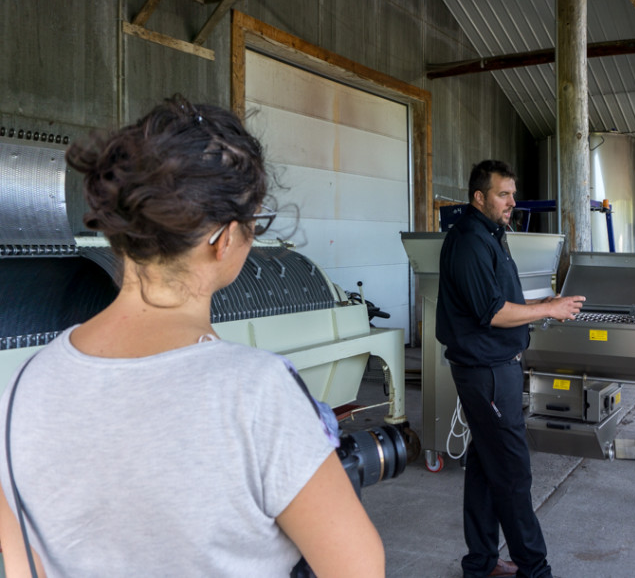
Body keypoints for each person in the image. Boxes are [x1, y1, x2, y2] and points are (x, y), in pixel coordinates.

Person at [0, 96, 384, 577]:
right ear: (224, 240)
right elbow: (357, 568)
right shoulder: (255, 394)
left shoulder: (22, 389)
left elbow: (21, 566)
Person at [436, 159, 585, 578]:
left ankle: (480, 563)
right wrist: (548, 308)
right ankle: (534, 569)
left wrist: (544, 308)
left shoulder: (491, 235)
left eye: (512, 194)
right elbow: (492, 312)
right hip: (485, 372)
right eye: (503, 194)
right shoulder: (468, 241)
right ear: (479, 197)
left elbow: (503, 302)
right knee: (514, 472)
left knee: (486, 467)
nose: (512, 202)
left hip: (497, 367)